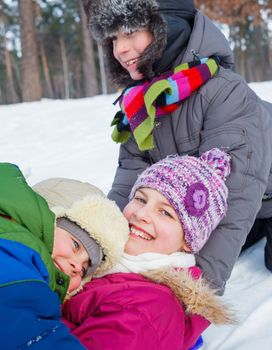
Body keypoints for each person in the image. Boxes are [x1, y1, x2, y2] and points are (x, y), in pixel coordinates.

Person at [83, 0, 272, 295]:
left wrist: (194, 296)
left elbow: (237, 194)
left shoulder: (224, 92)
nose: (120, 49)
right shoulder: (143, 103)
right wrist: (98, 252)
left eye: (130, 32)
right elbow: (129, 181)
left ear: (167, 27)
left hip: (259, 193)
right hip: (207, 204)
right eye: (113, 38)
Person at [60, 148, 235, 350]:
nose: (141, 214)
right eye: (141, 199)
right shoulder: (105, 260)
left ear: (188, 241)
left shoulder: (146, 309)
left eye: (165, 213)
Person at [0, 163, 129, 349]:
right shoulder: (17, 253)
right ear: (48, 218)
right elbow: (30, 333)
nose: (77, 266)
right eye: (76, 245)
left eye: (85, 269)